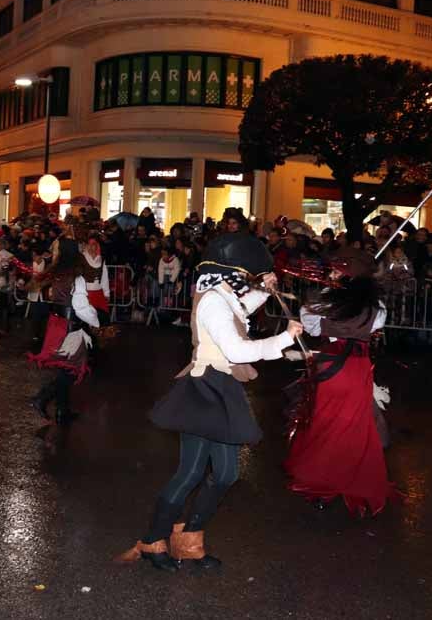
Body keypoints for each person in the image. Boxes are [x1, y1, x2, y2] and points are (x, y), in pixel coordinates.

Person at [116, 232, 301, 572]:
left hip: (222, 387)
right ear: (233, 271)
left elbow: (241, 307)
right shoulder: (214, 300)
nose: (250, 281)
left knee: (227, 474)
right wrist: (282, 339)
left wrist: (263, 289)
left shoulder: (225, 295)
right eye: (248, 275)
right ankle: (153, 541)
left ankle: (188, 541)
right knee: (190, 473)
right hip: (205, 387)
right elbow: (235, 349)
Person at [285, 248, 396, 516]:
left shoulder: (326, 302)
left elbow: (309, 324)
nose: (331, 274)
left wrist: (325, 298)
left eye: (337, 270)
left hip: (331, 368)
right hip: (357, 369)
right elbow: (374, 326)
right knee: (354, 426)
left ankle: (323, 483)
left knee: (326, 423)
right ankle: (349, 481)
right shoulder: (375, 306)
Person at [28, 229, 100, 425]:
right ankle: (42, 398)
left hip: (57, 324)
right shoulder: (76, 277)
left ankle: (62, 410)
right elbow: (81, 307)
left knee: (65, 367)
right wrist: (97, 322)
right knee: (71, 368)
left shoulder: (58, 274)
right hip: (71, 327)